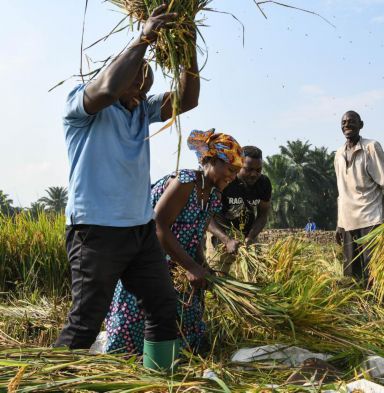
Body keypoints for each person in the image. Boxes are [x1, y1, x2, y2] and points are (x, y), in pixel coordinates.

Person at [56, 4, 200, 370]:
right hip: (96, 231)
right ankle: (51, 378)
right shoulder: (82, 104)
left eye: (145, 85)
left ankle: (157, 377)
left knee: (163, 306)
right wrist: (145, 36)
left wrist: (187, 46)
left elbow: (187, 99)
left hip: (139, 232)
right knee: (86, 320)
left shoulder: (139, 110)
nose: (141, 90)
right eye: (136, 81)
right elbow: (105, 88)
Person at [105, 129, 243, 356]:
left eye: (236, 172)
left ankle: (172, 361)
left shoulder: (214, 196)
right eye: (230, 169)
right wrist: (190, 266)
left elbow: (196, 234)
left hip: (179, 262)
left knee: (183, 325)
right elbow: (158, 225)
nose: (233, 176)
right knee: (138, 323)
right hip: (150, 260)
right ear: (211, 160)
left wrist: (202, 265)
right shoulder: (186, 181)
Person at [334, 111, 384, 283]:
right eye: (344, 122)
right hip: (348, 223)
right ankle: (356, 309)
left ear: (361, 125)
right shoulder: (338, 154)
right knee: (351, 276)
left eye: (352, 121)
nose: (347, 125)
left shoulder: (371, 147)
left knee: (374, 273)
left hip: (371, 220)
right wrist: (340, 224)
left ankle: (377, 308)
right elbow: (342, 193)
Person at [206, 146, 272, 273]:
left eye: (258, 170)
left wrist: (251, 237)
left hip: (248, 233)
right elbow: (207, 217)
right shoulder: (226, 181)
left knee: (256, 275)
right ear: (239, 164)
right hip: (221, 232)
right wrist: (226, 240)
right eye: (249, 169)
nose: (254, 174)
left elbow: (263, 214)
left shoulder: (263, 183)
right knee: (218, 277)